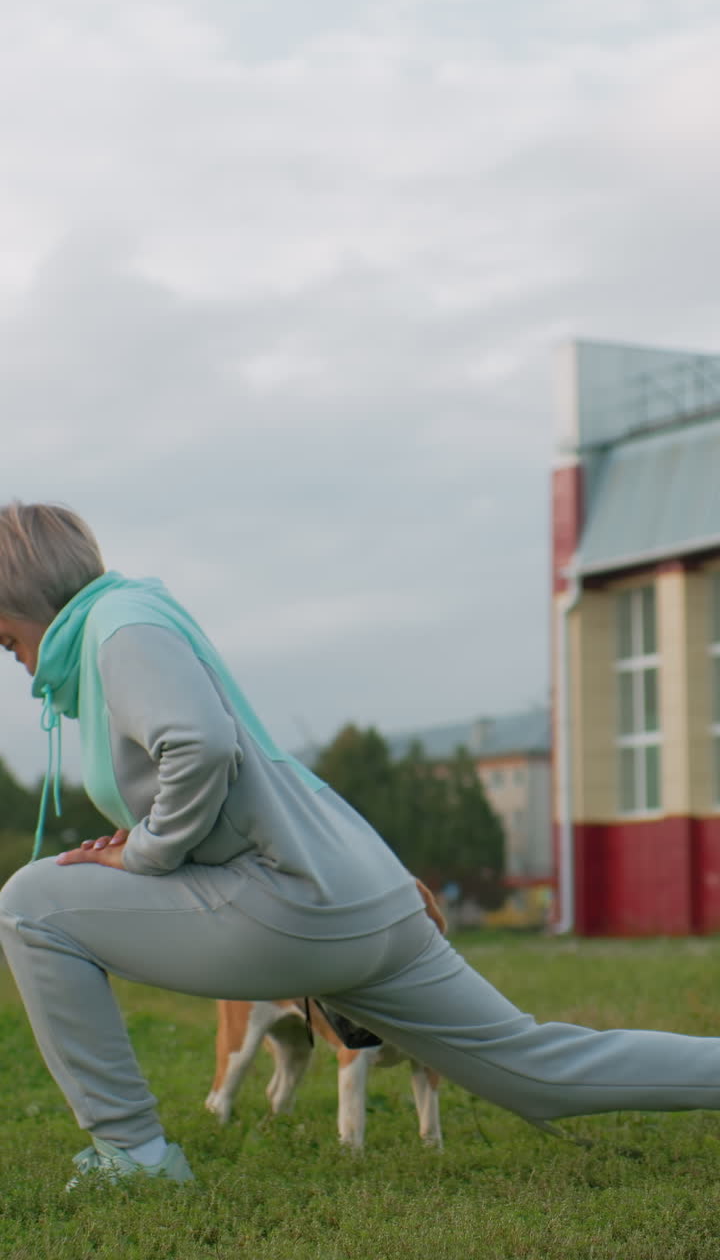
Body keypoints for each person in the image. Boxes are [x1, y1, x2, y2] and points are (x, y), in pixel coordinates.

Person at [0, 500, 719, 1189]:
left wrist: (149, 852)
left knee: (32, 902)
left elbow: (200, 745)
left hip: (296, 901)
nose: (17, 661)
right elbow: (221, 769)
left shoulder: (115, 626)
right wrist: (148, 835)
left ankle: (134, 1157)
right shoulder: (137, 615)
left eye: (7, 640)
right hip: (363, 893)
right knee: (538, 1071)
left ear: (29, 600)